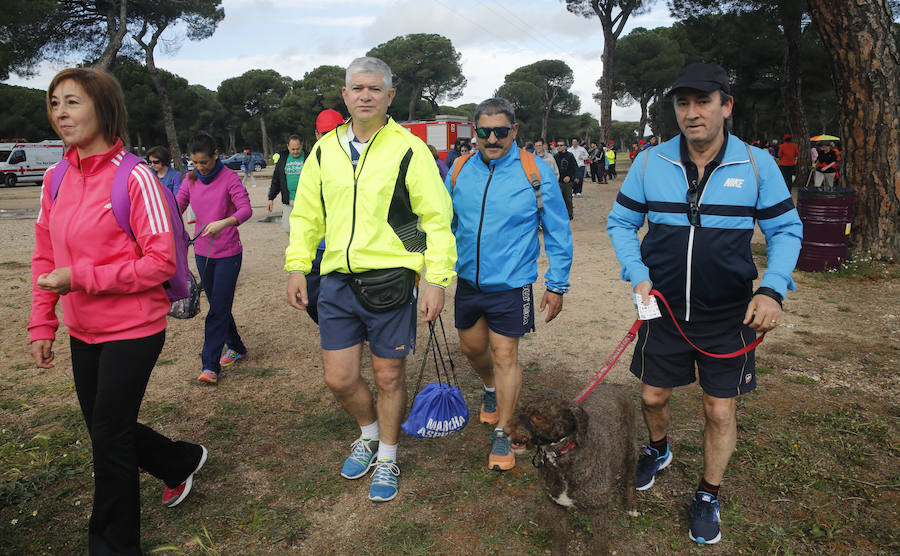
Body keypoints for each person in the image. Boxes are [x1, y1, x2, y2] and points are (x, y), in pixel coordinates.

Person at [606, 62, 802, 545]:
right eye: (683, 103)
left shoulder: (757, 164)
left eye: (703, 102)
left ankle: (708, 493)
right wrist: (638, 274)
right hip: (664, 311)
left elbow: (785, 229)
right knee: (653, 396)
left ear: (725, 106)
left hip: (729, 315)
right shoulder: (651, 163)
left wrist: (771, 288)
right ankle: (659, 448)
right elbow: (620, 223)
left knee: (718, 411)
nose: (692, 113)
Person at [29, 67, 208, 555]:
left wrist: (82, 277)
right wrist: (43, 320)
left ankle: (111, 546)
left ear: (104, 108)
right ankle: (178, 461)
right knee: (106, 428)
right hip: (82, 330)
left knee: (107, 439)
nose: (60, 113)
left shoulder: (136, 178)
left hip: (134, 329)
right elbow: (45, 257)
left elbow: (160, 262)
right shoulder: (55, 176)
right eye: (54, 103)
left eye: (72, 102)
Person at [284, 56, 456, 503]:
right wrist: (297, 265)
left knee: (388, 376)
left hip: (391, 280)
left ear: (389, 96)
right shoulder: (325, 150)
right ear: (345, 95)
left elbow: (436, 220)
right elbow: (307, 214)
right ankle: (368, 432)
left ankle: (387, 456)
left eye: (374, 89)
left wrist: (435, 279)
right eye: (357, 88)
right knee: (340, 379)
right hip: (337, 279)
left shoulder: (409, 149)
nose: (365, 96)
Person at [447, 97, 572, 471]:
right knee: (471, 348)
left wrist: (557, 283)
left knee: (505, 354)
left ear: (514, 131)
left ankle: (503, 429)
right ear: (476, 132)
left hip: (512, 283)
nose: (493, 138)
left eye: (501, 131)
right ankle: (490, 389)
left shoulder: (534, 172)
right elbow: (446, 223)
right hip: (468, 280)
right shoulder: (459, 168)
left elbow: (557, 229)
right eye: (485, 131)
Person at [177, 133, 252, 384]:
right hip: (201, 253)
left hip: (229, 254)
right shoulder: (190, 179)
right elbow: (177, 205)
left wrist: (224, 223)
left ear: (216, 155)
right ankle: (237, 347)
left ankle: (210, 365)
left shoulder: (229, 178)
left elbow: (245, 209)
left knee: (217, 309)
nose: (199, 167)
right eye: (195, 163)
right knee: (219, 305)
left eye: (204, 162)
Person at [267, 135, 307, 234]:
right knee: (287, 227)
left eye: (297, 149)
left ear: (301, 146)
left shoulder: (309, 157)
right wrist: (271, 198)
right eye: (293, 149)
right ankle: (295, 245)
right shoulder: (283, 159)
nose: (295, 151)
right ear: (288, 147)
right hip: (288, 200)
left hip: (305, 201)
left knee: (304, 229)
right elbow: (276, 179)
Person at [554, 141, 576, 220]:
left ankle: (570, 214)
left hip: (567, 182)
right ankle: (560, 215)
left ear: (565, 146)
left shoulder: (570, 156)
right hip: (558, 181)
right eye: (558, 145)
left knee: (568, 199)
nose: (559, 147)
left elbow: (574, 168)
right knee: (558, 200)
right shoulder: (555, 156)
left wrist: (570, 177)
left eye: (561, 145)